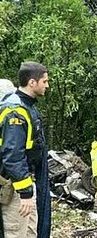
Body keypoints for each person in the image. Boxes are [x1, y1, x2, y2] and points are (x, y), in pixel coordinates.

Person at [0, 62, 51, 238]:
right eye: (44, 81)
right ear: (32, 82)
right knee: (16, 232)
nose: (47, 85)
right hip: (16, 188)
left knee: (30, 232)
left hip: (27, 182)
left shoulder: (28, 107)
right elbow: (13, 155)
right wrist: (25, 192)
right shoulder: (16, 112)